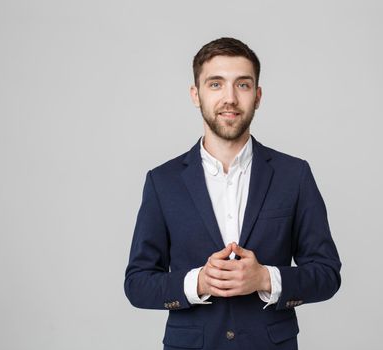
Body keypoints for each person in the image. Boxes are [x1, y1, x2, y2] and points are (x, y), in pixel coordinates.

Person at [124, 37, 342, 350]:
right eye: (215, 84)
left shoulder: (294, 175)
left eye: (242, 85)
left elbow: (327, 274)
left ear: (258, 95)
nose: (230, 98)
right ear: (195, 95)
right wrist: (197, 282)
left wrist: (265, 279)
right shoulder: (163, 182)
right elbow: (137, 283)